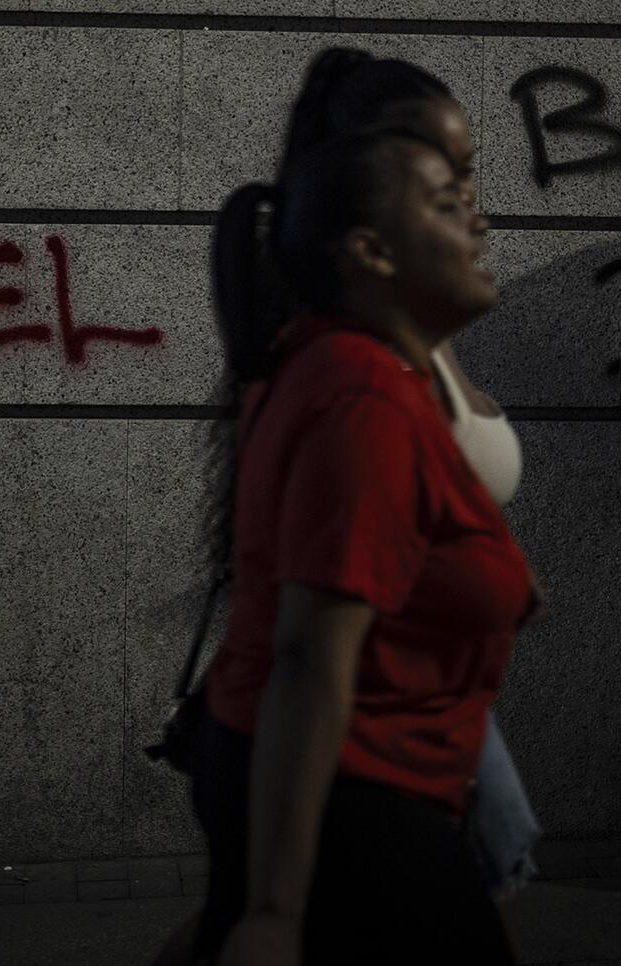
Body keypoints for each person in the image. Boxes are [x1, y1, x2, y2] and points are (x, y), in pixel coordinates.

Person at [188, 50, 536, 965]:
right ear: (369, 241)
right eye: (447, 192)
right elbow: (310, 655)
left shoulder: (355, 357)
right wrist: (274, 910)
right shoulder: (360, 389)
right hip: (355, 771)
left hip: (381, 754)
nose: (480, 214)